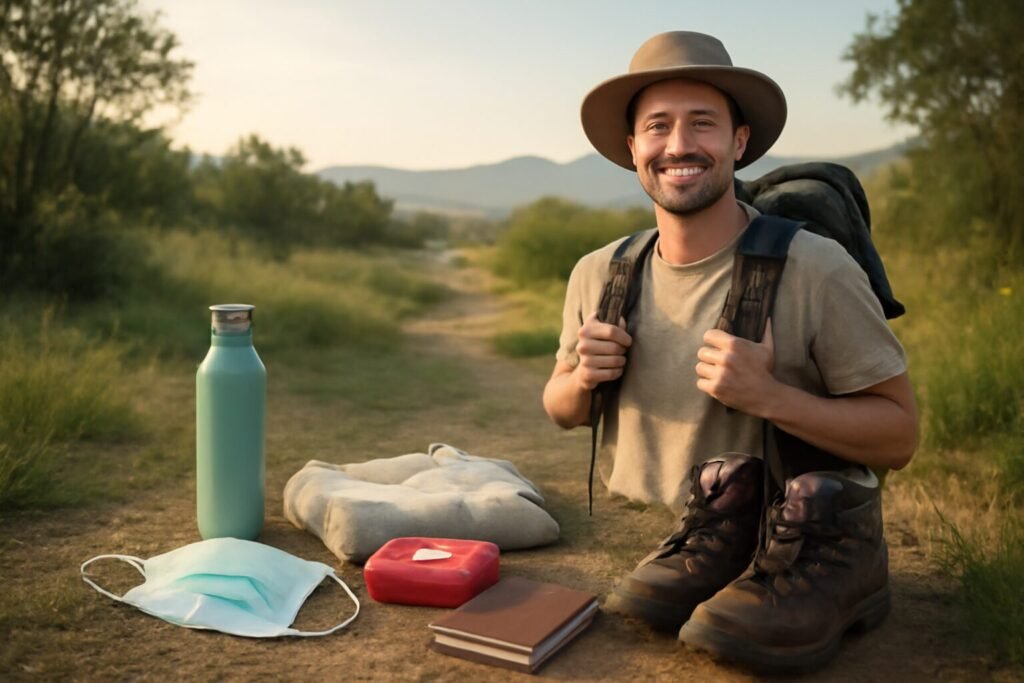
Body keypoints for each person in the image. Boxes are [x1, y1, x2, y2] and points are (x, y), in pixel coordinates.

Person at [542, 31, 918, 672]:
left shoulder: (815, 268)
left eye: (703, 124)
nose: (679, 145)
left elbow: (899, 436)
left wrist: (771, 397)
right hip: (703, 530)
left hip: (802, 536)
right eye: (657, 126)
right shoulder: (602, 271)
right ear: (633, 148)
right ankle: (724, 539)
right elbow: (560, 406)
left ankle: (852, 566)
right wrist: (582, 378)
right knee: (657, 611)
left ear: (739, 142)